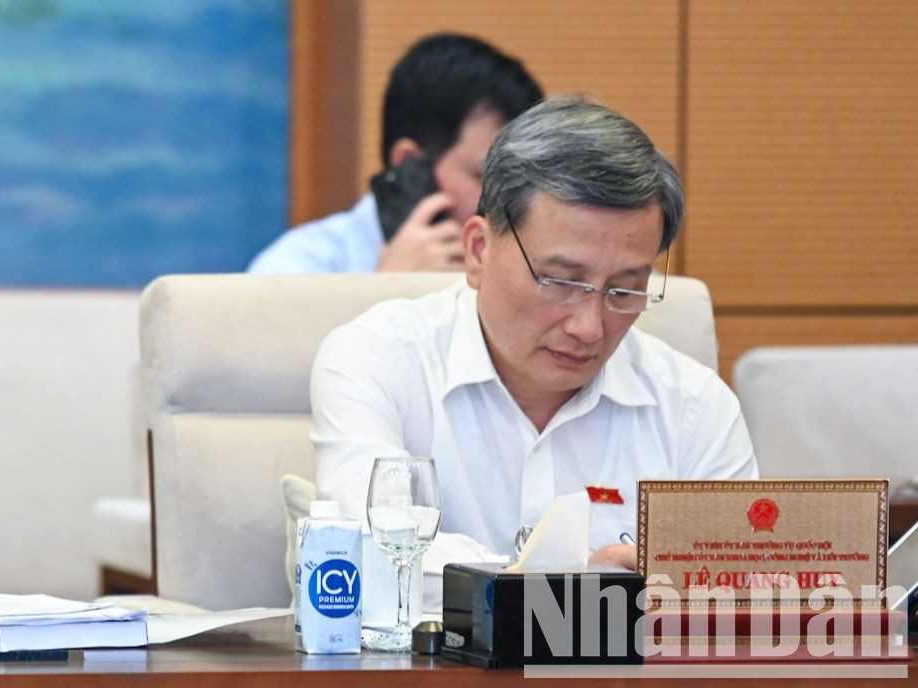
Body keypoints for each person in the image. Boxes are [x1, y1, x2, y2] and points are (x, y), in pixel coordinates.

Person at [309, 95, 756, 588]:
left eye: (624, 289)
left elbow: (734, 597)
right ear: (478, 251)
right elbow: (372, 556)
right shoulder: (378, 361)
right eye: (561, 281)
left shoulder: (695, 409)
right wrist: (576, 583)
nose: (589, 327)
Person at [250, 33, 542, 275]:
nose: (510, 202)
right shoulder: (293, 271)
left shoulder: (528, 266)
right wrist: (387, 291)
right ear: (410, 163)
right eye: (486, 176)